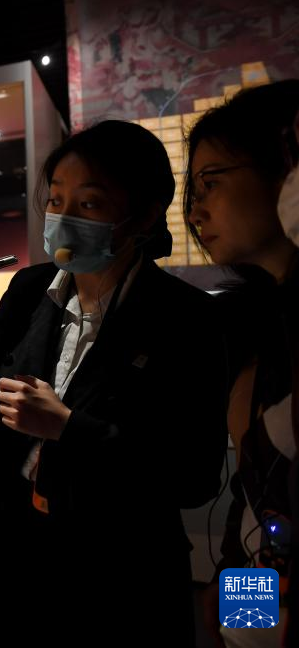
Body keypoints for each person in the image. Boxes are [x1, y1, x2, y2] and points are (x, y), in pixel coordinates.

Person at [0, 120, 227, 645]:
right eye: (56, 200)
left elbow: (193, 477)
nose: (64, 217)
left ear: (145, 213)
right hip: (21, 565)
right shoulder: (30, 289)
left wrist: (70, 428)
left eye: (89, 203)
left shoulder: (186, 317)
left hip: (122, 582)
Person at [183, 80, 299, 648]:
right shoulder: (258, 321)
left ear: (286, 171)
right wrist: (233, 585)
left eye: (212, 183)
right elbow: (256, 500)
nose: (195, 211)